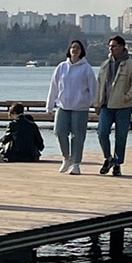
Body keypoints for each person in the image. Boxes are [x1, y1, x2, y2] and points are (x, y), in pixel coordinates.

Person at [46, 39, 97, 174]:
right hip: (63, 106)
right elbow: (54, 87)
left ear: (82, 52)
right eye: (73, 47)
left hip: (80, 108)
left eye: (78, 48)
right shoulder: (61, 67)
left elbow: (93, 89)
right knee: (59, 131)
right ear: (69, 50)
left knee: (78, 136)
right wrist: (49, 106)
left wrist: (92, 103)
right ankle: (66, 157)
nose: (75, 50)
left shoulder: (86, 68)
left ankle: (76, 163)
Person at [95, 35, 132, 176]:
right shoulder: (105, 65)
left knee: (121, 137)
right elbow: (99, 85)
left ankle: (117, 163)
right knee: (102, 133)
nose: (111, 49)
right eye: (110, 46)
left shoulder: (131, 65)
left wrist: (126, 97)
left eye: (114, 46)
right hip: (106, 106)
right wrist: (97, 103)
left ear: (122, 47)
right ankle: (108, 158)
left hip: (123, 107)